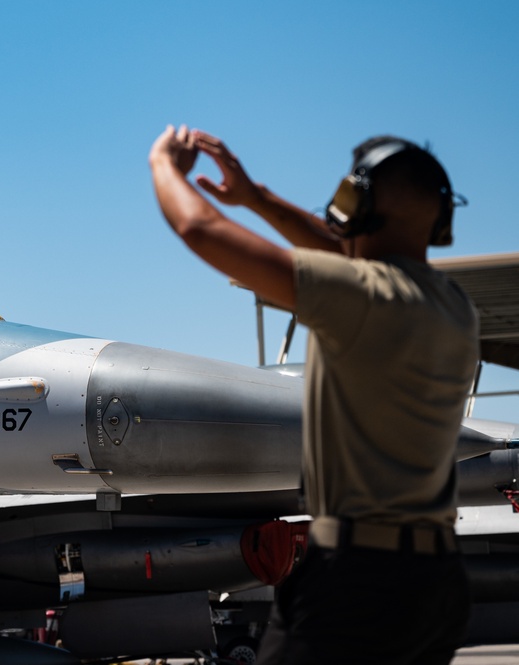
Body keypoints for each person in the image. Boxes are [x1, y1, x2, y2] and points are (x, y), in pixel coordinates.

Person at [149, 126, 479, 664]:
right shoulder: (452, 305)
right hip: (436, 584)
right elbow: (342, 256)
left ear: (354, 204)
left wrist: (164, 164)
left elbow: (199, 227)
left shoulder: (363, 297)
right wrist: (257, 198)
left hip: (360, 581)